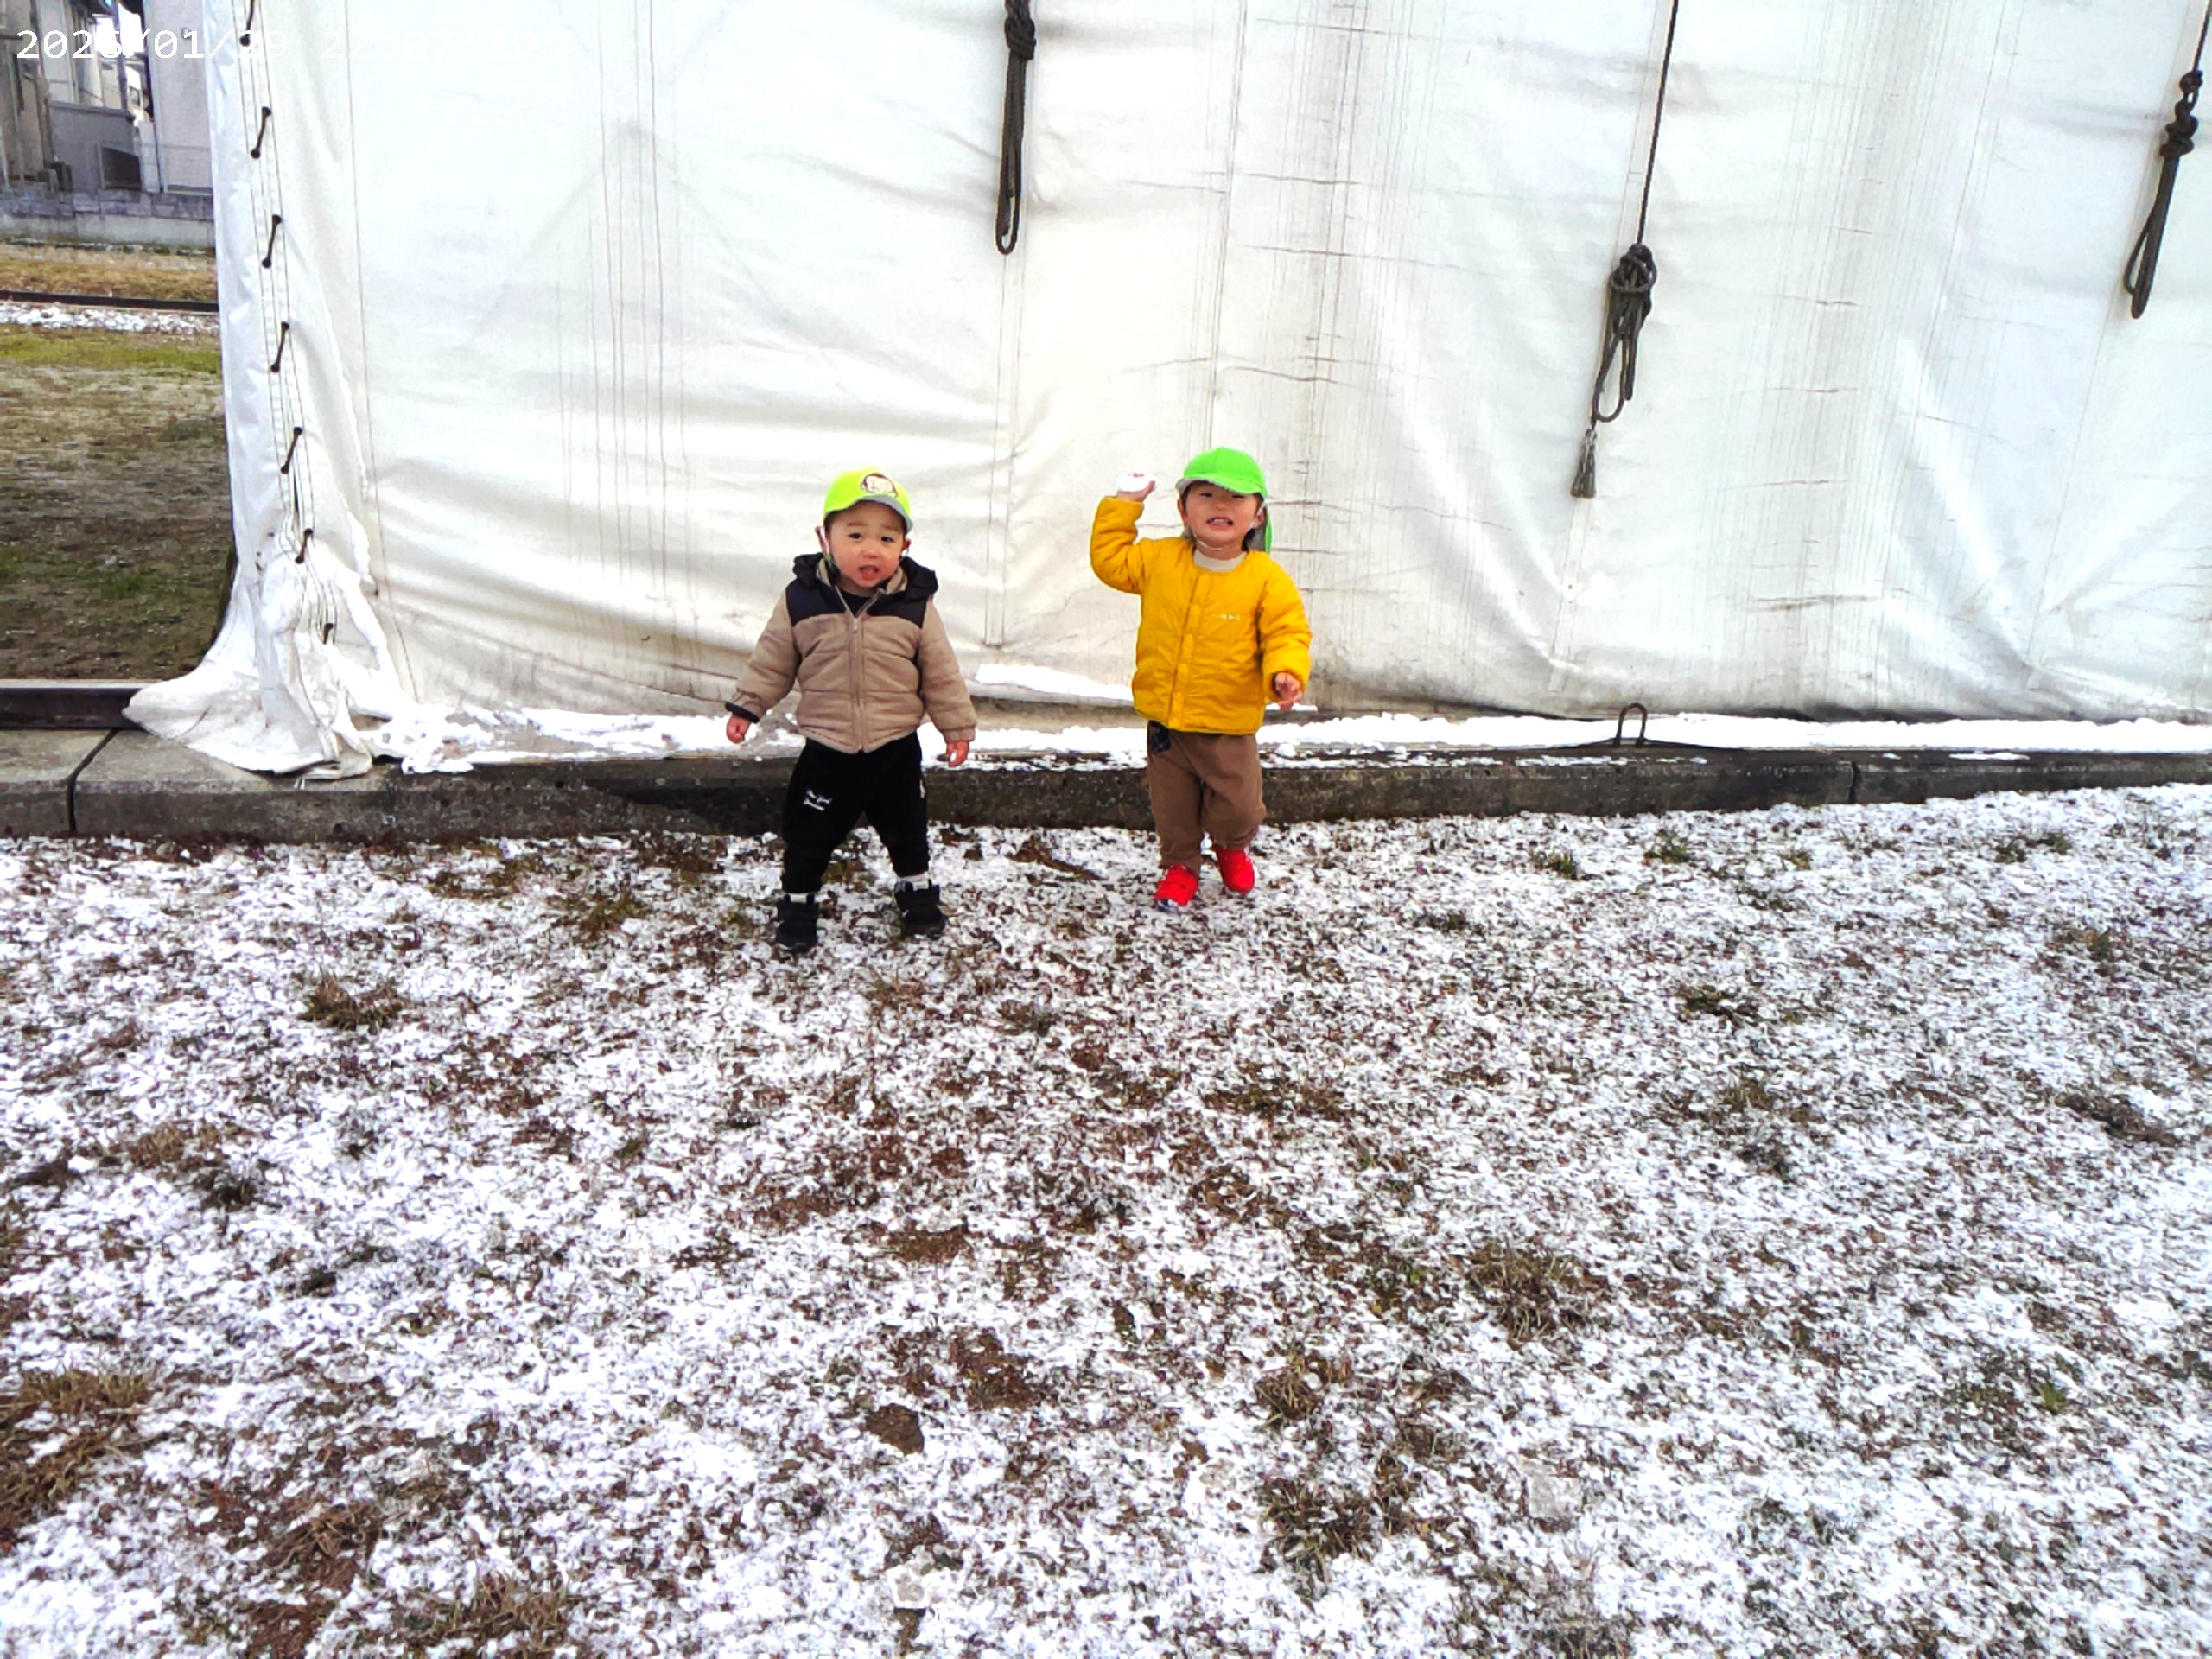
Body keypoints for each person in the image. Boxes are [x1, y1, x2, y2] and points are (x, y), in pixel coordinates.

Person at [725, 470, 976, 954]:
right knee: (808, 829)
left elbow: (941, 671)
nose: (871, 550)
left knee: (906, 824)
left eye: (886, 538)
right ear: (825, 538)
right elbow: (773, 659)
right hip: (828, 746)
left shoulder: (914, 604)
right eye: (855, 535)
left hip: (894, 746)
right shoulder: (801, 600)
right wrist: (748, 706)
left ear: (904, 546)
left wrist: (956, 727)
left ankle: (915, 886)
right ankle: (799, 897)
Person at [1090, 447, 1313, 909]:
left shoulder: (1266, 579)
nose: (1219, 505)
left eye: (1235, 498)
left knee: (1239, 806)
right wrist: (1125, 503)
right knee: (1173, 808)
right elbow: (1109, 561)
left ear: (1257, 516)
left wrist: (1286, 670)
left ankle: (1231, 846)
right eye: (1206, 495)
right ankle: (1180, 866)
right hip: (1167, 724)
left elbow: (1287, 631)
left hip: (1228, 724)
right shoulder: (1160, 560)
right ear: (1183, 510)